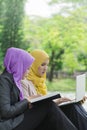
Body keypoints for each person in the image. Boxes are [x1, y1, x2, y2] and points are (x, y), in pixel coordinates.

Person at [0, 47, 77, 130]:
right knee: (48, 105)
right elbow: (6, 112)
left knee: (62, 107)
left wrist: (32, 102)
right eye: (27, 68)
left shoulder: (14, 81)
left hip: (16, 120)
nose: (29, 72)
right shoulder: (4, 80)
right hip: (9, 125)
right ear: (19, 66)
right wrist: (27, 100)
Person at [21, 49, 87, 130]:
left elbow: (47, 106)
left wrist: (60, 101)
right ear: (33, 64)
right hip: (36, 122)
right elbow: (28, 108)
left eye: (47, 65)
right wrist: (57, 102)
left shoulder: (41, 82)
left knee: (74, 105)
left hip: (46, 115)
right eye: (42, 65)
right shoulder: (23, 81)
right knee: (71, 109)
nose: (45, 68)